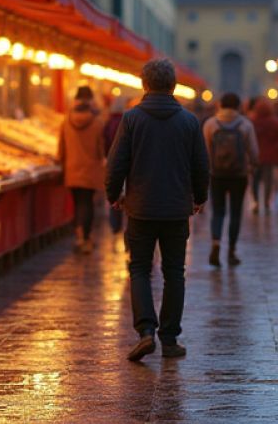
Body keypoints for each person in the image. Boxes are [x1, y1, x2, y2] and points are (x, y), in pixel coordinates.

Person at [106, 59, 210, 362]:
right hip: (177, 209)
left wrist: (115, 194)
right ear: (173, 86)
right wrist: (199, 197)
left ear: (144, 85)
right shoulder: (190, 122)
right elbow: (201, 166)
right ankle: (170, 338)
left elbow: (116, 164)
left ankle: (146, 332)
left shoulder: (131, 119)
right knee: (174, 272)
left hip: (140, 208)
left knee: (139, 268)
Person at [202, 92, 259, 266]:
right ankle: (232, 251)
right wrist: (252, 166)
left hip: (216, 174)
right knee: (236, 212)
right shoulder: (245, 124)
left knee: (218, 211)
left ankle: (216, 244)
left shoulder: (211, 124)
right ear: (238, 106)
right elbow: (254, 152)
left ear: (220, 105)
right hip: (239, 175)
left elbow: (204, 151)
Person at [59, 86, 106, 255]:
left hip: (72, 169)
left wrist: (62, 162)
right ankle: (85, 238)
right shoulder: (98, 122)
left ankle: (79, 234)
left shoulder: (66, 120)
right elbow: (102, 149)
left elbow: (61, 148)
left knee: (77, 202)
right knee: (87, 203)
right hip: (91, 170)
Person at [102, 95, 129, 248]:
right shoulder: (129, 121)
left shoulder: (108, 123)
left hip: (113, 163)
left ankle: (115, 225)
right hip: (129, 168)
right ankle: (127, 234)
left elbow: (105, 142)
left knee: (117, 195)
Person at [250, 99, 278, 214]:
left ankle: (256, 202)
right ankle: (266, 202)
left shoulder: (253, 121)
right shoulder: (275, 122)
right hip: (270, 156)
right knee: (268, 180)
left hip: (255, 155)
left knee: (255, 180)